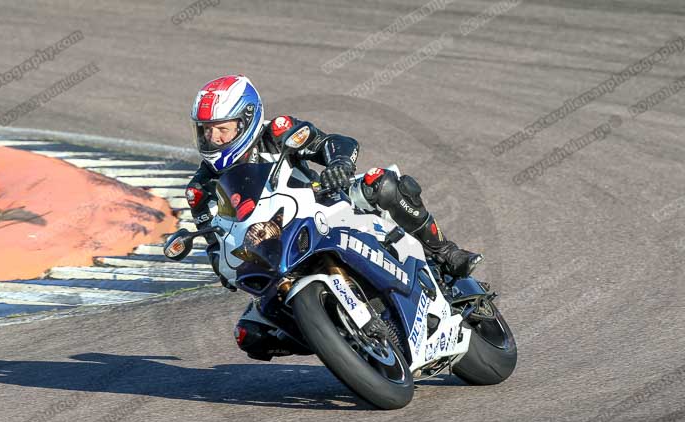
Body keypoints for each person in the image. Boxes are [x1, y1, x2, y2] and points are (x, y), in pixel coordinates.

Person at [184, 74, 481, 358]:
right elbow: (214, 244)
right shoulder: (200, 189)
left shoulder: (277, 132)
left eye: (222, 129)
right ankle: (336, 337)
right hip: (274, 252)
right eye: (206, 130)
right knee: (251, 335)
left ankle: (445, 252)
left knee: (382, 184)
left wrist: (338, 164)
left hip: (325, 209)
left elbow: (335, 143)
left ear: (247, 119)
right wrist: (223, 265)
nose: (213, 138)